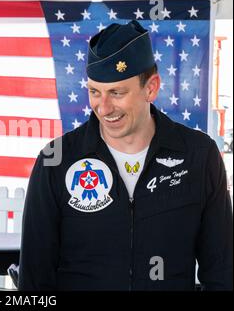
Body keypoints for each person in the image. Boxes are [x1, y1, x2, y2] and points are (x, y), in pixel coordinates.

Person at [19, 20, 233, 291]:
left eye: (117, 93)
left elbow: (222, 268)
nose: (104, 107)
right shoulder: (56, 158)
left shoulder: (199, 155)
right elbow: (35, 275)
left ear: (151, 88)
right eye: (94, 92)